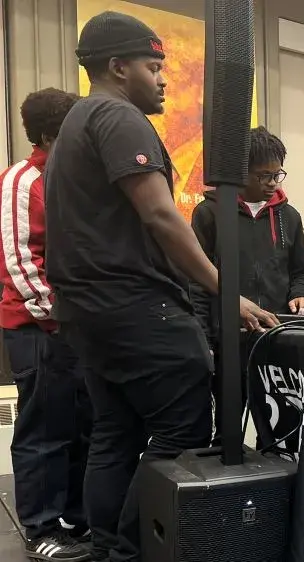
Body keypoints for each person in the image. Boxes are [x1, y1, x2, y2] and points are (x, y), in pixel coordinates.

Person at [44, 12, 277, 561]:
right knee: (184, 429)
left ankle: (108, 551)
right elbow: (161, 216)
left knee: (114, 435)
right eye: (154, 67)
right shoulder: (118, 118)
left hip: (90, 311)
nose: (164, 79)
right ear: (118, 67)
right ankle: (132, 551)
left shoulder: (77, 123)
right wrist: (226, 292)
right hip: (135, 307)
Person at [1, 88, 92, 561]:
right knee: (42, 432)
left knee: (81, 426)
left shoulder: (69, 180)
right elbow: (20, 260)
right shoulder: (23, 180)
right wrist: (58, 316)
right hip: (38, 329)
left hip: (75, 331)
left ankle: (78, 520)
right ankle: (40, 529)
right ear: (50, 136)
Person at [191, 125, 304, 443]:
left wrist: (301, 295)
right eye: (263, 176)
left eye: (278, 175)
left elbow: (300, 272)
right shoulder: (209, 214)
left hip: (277, 340)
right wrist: (204, 340)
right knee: (227, 434)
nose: (272, 184)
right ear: (239, 173)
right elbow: (198, 283)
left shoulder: (291, 218)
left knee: (280, 431)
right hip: (228, 341)